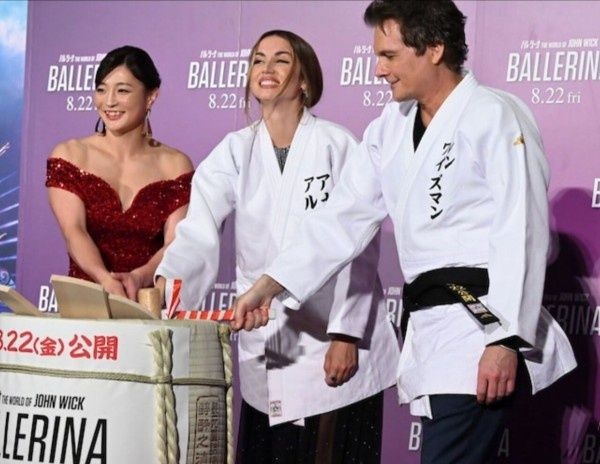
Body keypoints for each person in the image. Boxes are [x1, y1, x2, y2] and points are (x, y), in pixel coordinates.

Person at [231, 2, 577, 463]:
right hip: (431, 335)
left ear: (434, 49)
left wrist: (505, 339)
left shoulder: (494, 115)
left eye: (389, 55)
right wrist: (270, 285)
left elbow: (522, 229)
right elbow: (339, 219)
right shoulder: (388, 128)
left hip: (479, 327)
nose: (378, 69)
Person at [156, 30, 399, 463]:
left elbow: (358, 244)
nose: (266, 69)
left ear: (304, 79)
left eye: (281, 60)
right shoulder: (235, 150)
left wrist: (346, 333)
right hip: (266, 333)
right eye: (258, 60)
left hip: (329, 336)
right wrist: (168, 290)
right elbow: (199, 229)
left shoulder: (337, 145)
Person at [46, 45, 193, 301]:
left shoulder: (175, 165)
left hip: (146, 303)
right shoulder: (70, 155)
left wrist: (140, 277)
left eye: (122, 90)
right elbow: (74, 231)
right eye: (101, 89)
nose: (109, 101)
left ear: (151, 97)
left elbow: (176, 243)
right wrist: (105, 279)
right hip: (86, 304)